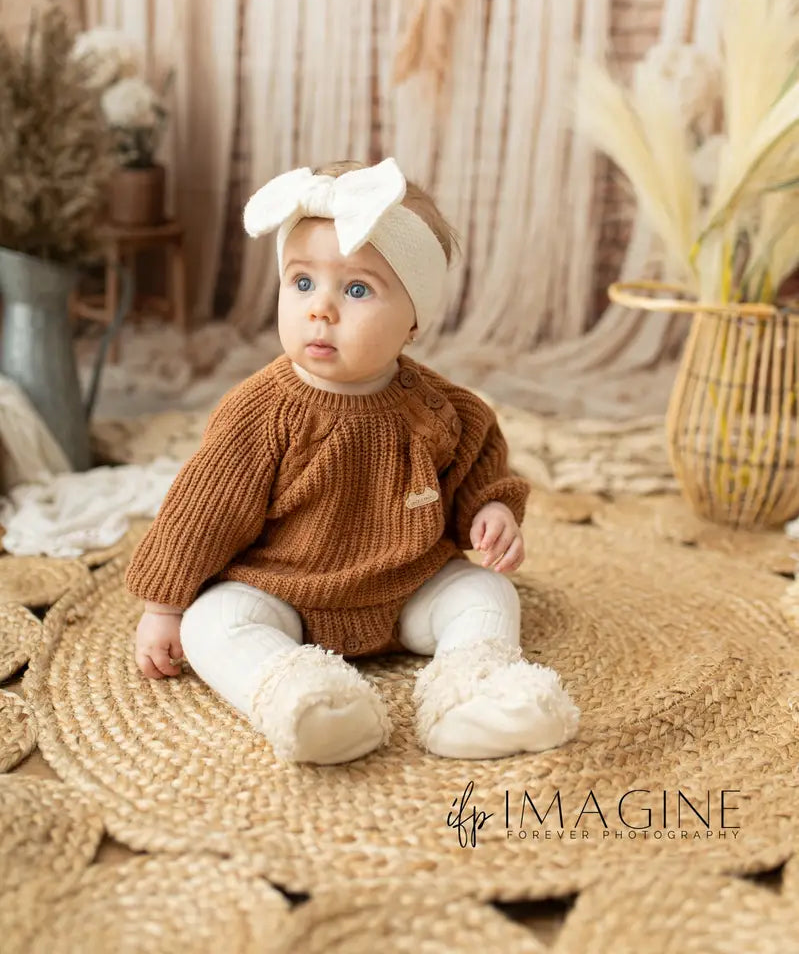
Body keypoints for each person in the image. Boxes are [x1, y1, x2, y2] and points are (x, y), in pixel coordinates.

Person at [126, 158, 580, 765]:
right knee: (212, 623)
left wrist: (492, 507)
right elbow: (200, 514)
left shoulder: (442, 409)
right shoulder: (261, 412)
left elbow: (481, 464)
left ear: (412, 321)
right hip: (282, 592)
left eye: (357, 289)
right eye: (302, 282)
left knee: (487, 594)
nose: (321, 309)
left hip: (407, 588)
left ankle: (472, 698)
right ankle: (304, 701)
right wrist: (165, 607)